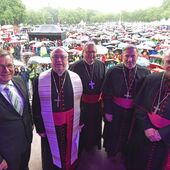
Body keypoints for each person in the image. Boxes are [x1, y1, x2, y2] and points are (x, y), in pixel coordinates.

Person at [32, 47, 83, 170]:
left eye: (63, 57)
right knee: (51, 153)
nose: (59, 60)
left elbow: (81, 103)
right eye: (55, 57)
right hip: (50, 124)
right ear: (50, 60)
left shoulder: (75, 78)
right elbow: (36, 105)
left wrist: (80, 122)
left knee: (70, 148)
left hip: (70, 123)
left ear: (68, 60)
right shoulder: (40, 79)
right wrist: (40, 127)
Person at [102, 45, 150, 161]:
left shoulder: (145, 72)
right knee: (113, 131)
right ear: (121, 57)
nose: (129, 59)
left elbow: (145, 95)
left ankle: (125, 152)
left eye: (133, 56)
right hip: (115, 108)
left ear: (137, 56)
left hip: (134, 111)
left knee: (130, 132)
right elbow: (106, 93)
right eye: (126, 56)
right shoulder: (113, 71)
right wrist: (107, 111)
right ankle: (111, 150)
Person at [126, 49, 170, 170]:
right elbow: (139, 105)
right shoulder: (152, 79)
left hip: (166, 139)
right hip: (144, 132)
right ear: (163, 62)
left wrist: (162, 133)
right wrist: (146, 127)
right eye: (168, 62)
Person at [69, 41, 105, 152]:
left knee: (95, 125)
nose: (91, 55)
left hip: (97, 104)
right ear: (83, 52)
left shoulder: (101, 65)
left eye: (93, 52)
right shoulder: (75, 66)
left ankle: (95, 143)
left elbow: (104, 85)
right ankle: (83, 145)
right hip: (82, 104)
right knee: (83, 126)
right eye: (88, 52)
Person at [0, 49, 33, 170]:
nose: (6, 70)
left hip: (25, 145)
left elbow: (27, 108)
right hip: (6, 155)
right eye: (1, 66)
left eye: (9, 65)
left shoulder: (19, 80)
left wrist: (31, 123)